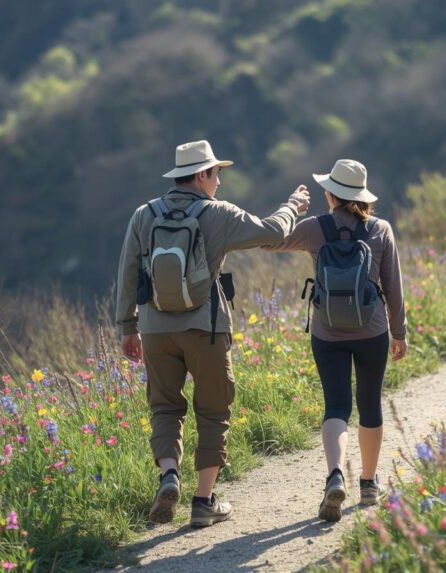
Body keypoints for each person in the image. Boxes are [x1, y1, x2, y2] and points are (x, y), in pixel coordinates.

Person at [116, 140, 310, 528]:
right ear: (201, 175)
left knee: (165, 407)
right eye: (216, 173)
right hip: (206, 329)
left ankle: (169, 474)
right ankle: (203, 501)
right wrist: (294, 206)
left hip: (155, 330)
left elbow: (128, 271)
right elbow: (272, 232)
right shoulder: (217, 213)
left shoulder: (144, 215)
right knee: (213, 410)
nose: (219, 181)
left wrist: (127, 327)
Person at [264, 159, 407, 521]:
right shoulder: (381, 229)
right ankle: (369, 484)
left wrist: (291, 208)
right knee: (370, 404)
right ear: (362, 196)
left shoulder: (315, 228)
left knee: (336, 406)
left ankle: (335, 475)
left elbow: (269, 240)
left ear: (330, 194)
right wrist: (399, 332)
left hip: (327, 331)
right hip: (372, 329)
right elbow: (393, 287)